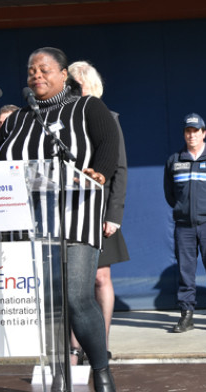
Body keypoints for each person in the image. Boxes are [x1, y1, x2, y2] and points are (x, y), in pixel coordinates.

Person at [0, 47, 121, 391]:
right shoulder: (17, 119)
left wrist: (100, 174)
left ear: (64, 75)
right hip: (30, 223)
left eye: (44, 70)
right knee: (46, 304)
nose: (36, 76)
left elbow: (108, 144)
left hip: (76, 217)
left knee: (77, 298)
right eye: (31, 71)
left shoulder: (88, 107)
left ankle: (101, 369)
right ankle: (57, 373)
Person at [67, 60, 130, 363]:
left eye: (74, 86)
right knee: (73, 281)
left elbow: (119, 169)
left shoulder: (107, 118)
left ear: (88, 87)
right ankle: (74, 345)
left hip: (100, 211)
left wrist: (113, 215)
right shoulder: (62, 119)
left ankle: (100, 345)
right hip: (68, 209)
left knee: (100, 277)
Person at [164, 113, 206, 333]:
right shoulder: (174, 161)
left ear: (204, 133)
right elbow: (170, 194)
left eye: (196, 131)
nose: (191, 135)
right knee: (186, 271)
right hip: (183, 226)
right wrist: (182, 211)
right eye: (188, 131)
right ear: (184, 134)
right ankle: (187, 316)